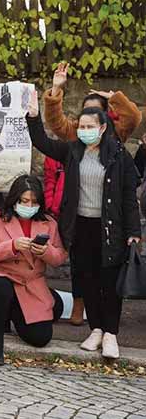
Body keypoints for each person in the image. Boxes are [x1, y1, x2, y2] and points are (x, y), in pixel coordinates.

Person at [27, 89, 140, 359]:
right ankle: (96, 329)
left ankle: (111, 333)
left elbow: (128, 196)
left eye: (90, 127)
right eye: (81, 126)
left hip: (110, 227)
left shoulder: (118, 154)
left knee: (109, 281)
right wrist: (33, 116)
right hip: (81, 226)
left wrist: (134, 232)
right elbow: (42, 142)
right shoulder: (72, 151)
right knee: (87, 278)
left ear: (103, 128)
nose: (85, 131)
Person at [0, 175, 67, 365]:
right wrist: (13, 246)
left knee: (40, 337)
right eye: (24, 201)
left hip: (28, 285)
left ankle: (18, 309)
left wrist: (44, 251)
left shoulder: (49, 223)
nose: (29, 205)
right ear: (14, 200)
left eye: (34, 202)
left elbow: (59, 257)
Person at [43, 62, 141, 143]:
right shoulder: (76, 131)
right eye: (87, 109)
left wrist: (114, 97)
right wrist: (56, 88)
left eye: (96, 110)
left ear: (105, 113)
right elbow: (56, 122)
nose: (90, 113)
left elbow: (134, 117)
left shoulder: (115, 132)